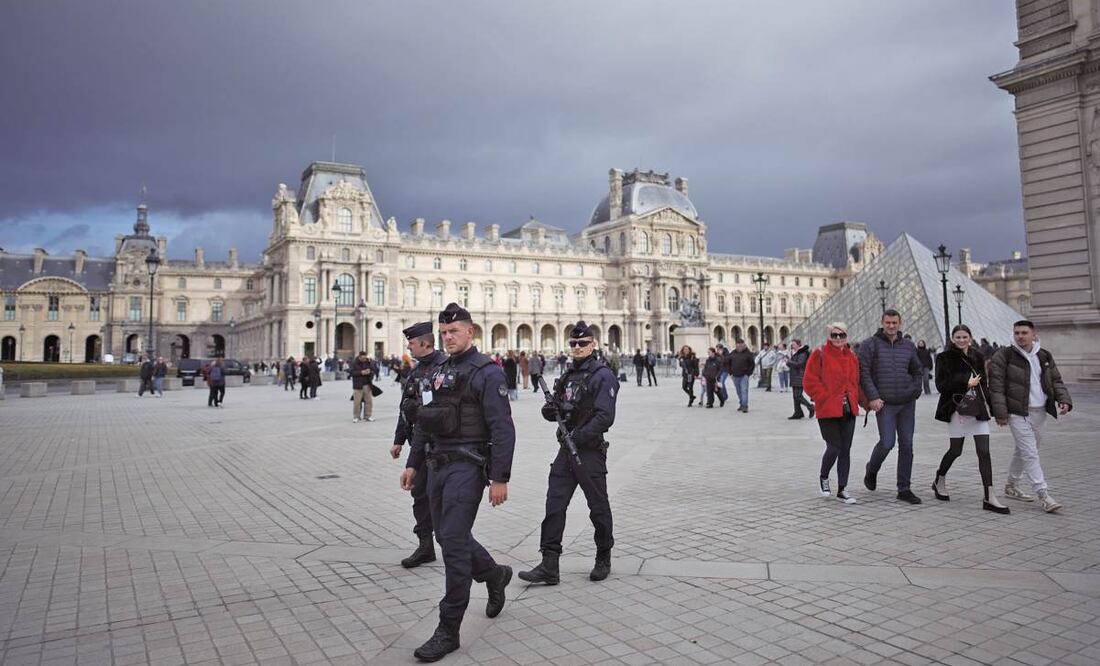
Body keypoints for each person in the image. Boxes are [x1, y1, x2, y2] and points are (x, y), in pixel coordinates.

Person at [399, 303, 515, 662]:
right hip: (436, 464)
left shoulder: (487, 372)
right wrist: (413, 463)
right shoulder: (438, 371)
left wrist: (499, 477)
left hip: (468, 465)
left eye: (455, 332)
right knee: (448, 534)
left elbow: (503, 428)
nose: (448, 338)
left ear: (471, 333)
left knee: (451, 543)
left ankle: (448, 629)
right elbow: (424, 422)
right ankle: (494, 575)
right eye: (444, 333)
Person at [520, 320, 618, 586]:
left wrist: (578, 435)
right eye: (573, 343)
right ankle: (549, 563)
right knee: (554, 505)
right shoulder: (567, 375)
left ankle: (603, 555)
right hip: (566, 451)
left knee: (598, 507)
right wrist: (550, 412)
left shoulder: (602, 375)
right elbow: (555, 408)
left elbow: (605, 416)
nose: (577, 347)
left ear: (593, 344)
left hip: (589, 451)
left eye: (582, 343)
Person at [988, 320, 1073, 513]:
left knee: (1024, 450)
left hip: (1040, 411)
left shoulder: (1044, 355)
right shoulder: (1004, 355)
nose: (1020, 336)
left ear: (1033, 335)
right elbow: (997, 386)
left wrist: (1064, 399)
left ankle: (1011, 485)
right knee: (1030, 452)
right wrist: (1001, 413)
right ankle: (1044, 494)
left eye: (1024, 332)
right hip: (1017, 412)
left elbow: (1056, 380)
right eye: (1017, 332)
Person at [931, 325, 1009, 514]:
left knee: (984, 451)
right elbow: (941, 385)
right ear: (952, 338)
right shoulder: (943, 358)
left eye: (964, 336)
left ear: (971, 338)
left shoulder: (978, 356)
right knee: (956, 450)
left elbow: (984, 386)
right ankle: (939, 478)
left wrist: (996, 411)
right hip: (957, 409)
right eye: (957, 337)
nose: (961, 340)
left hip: (977, 409)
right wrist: (965, 382)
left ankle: (989, 496)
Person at [392, 322, 446, 569]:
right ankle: (425, 546)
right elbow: (405, 408)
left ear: (425, 343)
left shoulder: (443, 368)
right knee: (419, 495)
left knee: (441, 498)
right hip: (418, 445)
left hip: (440, 446)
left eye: (411, 343)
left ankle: (452, 545)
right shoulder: (415, 371)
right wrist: (399, 440)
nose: (408, 347)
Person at [860, 310, 925, 504]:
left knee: (907, 445)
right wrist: (873, 397)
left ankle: (904, 488)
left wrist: (915, 390)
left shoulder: (908, 345)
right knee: (887, 442)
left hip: (906, 403)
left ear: (900, 323)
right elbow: (863, 373)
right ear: (882, 322)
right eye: (888, 322)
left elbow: (917, 370)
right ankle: (872, 469)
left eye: (894, 322)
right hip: (885, 403)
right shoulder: (869, 344)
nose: (891, 326)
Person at [803, 322, 860, 504]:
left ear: (846, 336)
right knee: (834, 446)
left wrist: (865, 402)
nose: (838, 338)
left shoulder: (851, 356)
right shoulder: (819, 354)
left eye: (841, 334)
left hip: (848, 409)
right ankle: (824, 476)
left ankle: (843, 489)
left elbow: (855, 382)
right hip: (828, 409)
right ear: (829, 336)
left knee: (846, 450)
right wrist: (824, 397)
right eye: (834, 335)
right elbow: (809, 381)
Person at [786, 339, 815, 419]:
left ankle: (811, 407)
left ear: (798, 345)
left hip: (800, 376)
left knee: (797, 396)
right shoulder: (797, 353)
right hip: (795, 376)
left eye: (794, 344)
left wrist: (788, 362)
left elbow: (800, 364)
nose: (792, 346)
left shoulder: (802, 353)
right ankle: (798, 412)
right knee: (795, 396)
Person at [727, 339, 755, 413]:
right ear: (736, 345)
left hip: (744, 375)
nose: (739, 346)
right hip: (735, 375)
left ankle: (745, 406)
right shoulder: (732, 353)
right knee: (739, 391)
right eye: (737, 345)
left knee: (744, 390)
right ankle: (741, 404)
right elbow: (728, 363)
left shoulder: (748, 354)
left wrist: (748, 374)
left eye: (741, 345)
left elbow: (752, 364)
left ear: (743, 345)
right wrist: (730, 373)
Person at [351, 350, 376, 423]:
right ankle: (356, 416)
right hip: (358, 385)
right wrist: (361, 372)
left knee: (369, 401)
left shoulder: (368, 362)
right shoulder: (354, 363)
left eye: (365, 358)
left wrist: (370, 372)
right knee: (357, 402)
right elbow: (351, 372)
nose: (364, 359)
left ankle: (368, 416)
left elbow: (374, 370)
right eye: (363, 358)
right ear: (359, 357)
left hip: (367, 384)